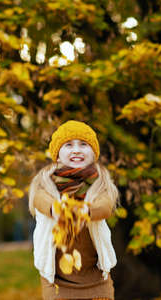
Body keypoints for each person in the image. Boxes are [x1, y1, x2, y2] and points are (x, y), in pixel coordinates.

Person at [29, 120, 119, 300]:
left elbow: (105, 206)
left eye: (83, 145)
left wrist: (85, 211)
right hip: (56, 278)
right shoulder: (45, 182)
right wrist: (57, 210)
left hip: (95, 275)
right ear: (58, 155)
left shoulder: (101, 183)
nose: (76, 150)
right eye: (69, 145)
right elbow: (40, 200)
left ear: (93, 153)